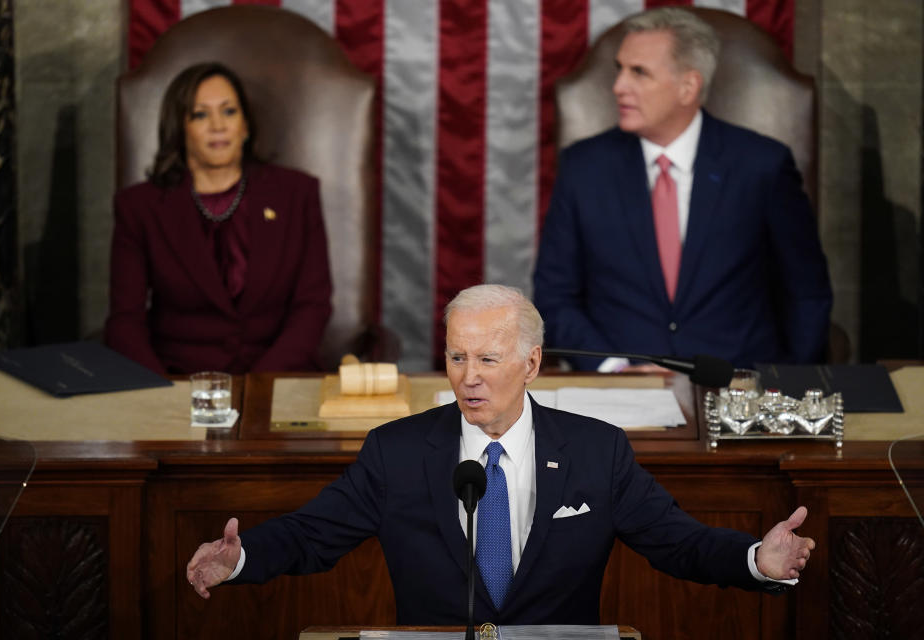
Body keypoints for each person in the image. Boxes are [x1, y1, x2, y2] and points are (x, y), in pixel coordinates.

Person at [187, 284, 814, 624]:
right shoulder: (397, 452)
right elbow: (311, 536)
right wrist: (241, 560)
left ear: (531, 363)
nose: (469, 378)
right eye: (458, 358)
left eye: (488, 360)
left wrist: (757, 558)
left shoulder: (596, 451)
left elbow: (678, 542)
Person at [533, 8, 833, 372]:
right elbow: (555, 297)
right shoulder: (584, 168)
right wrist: (616, 369)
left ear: (688, 87)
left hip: (737, 388)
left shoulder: (761, 166)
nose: (618, 86)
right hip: (624, 394)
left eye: (638, 72)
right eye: (620, 69)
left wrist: (787, 386)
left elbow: (807, 292)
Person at [105, 62, 332, 374]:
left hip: (278, 380)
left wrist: (259, 385)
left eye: (229, 112)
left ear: (246, 125)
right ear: (179, 128)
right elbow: (124, 321)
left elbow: (312, 306)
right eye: (200, 114)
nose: (217, 125)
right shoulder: (138, 207)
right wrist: (159, 394)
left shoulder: (297, 193)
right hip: (179, 384)